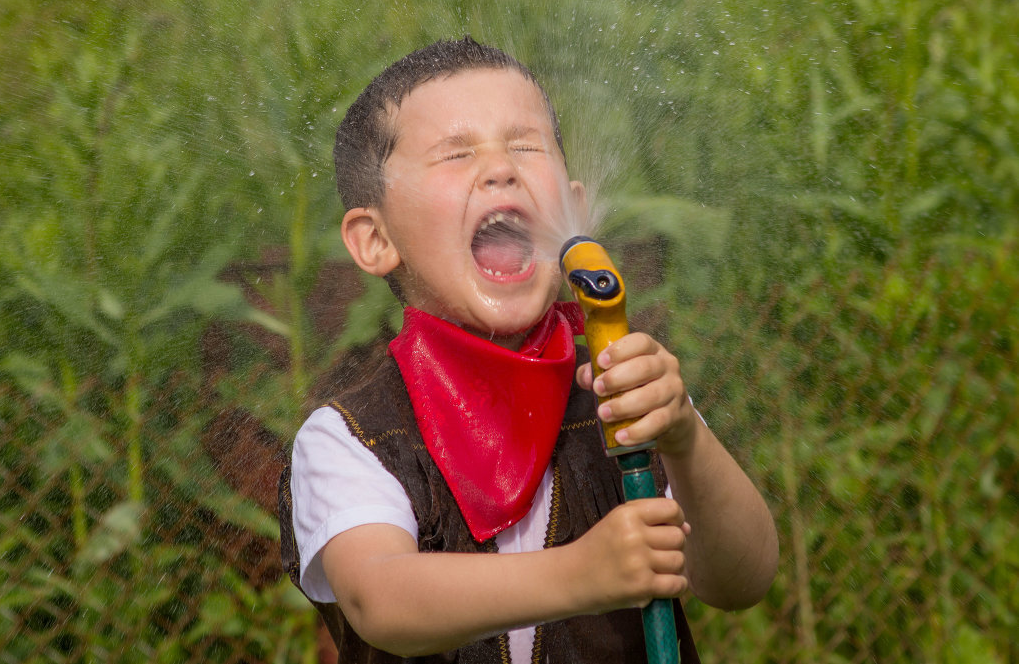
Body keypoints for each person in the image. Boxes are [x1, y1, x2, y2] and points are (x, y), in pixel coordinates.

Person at [279, 37, 778, 663]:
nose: (500, 169)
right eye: (456, 154)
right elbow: (382, 598)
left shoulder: (620, 387)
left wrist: (684, 437)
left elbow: (743, 579)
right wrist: (580, 574)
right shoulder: (349, 439)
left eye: (525, 146)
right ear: (376, 239)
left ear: (573, 210)